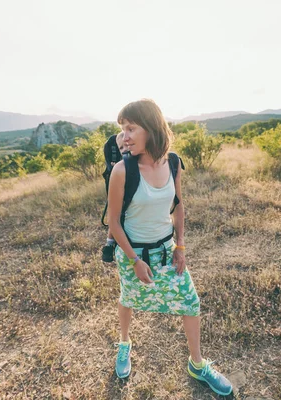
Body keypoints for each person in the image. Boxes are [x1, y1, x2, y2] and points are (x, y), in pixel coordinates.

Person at [107, 99, 233, 396]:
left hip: (165, 251)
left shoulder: (173, 162)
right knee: (128, 297)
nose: (124, 137)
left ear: (151, 128)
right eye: (122, 130)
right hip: (132, 253)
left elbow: (178, 207)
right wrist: (135, 261)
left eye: (130, 128)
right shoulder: (121, 171)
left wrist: (181, 246)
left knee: (190, 302)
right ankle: (124, 344)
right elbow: (113, 223)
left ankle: (197, 365)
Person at [102, 131, 127, 262]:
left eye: (126, 146)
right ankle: (109, 244)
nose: (124, 150)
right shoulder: (119, 167)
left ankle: (110, 243)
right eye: (121, 148)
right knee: (116, 213)